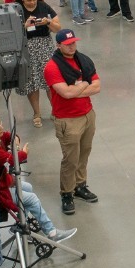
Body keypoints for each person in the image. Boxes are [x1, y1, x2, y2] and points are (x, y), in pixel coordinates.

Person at [43, 29, 100, 215]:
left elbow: (97, 86)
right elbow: (65, 93)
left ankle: (80, 185)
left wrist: (77, 86)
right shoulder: (52, 67)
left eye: (74, 43)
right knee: (70, 159)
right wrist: (85, 83)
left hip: (87, 115)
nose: (72, 47)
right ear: (58, 45)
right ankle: (66, 193)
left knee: (84, 153)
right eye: (68, 45)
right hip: (68, 120)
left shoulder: (83, 60)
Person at [14, 0, 58, 127]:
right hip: (27, 47)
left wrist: (49, 21)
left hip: (45, 46)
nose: (32, 2)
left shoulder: (44, 7)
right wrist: (24, 26)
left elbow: (58, 28)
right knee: (32, 81)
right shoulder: (16, 10)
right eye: (29, 0)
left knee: (49, 80)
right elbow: (11, 34)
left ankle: (55, 111)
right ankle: (36, 113)